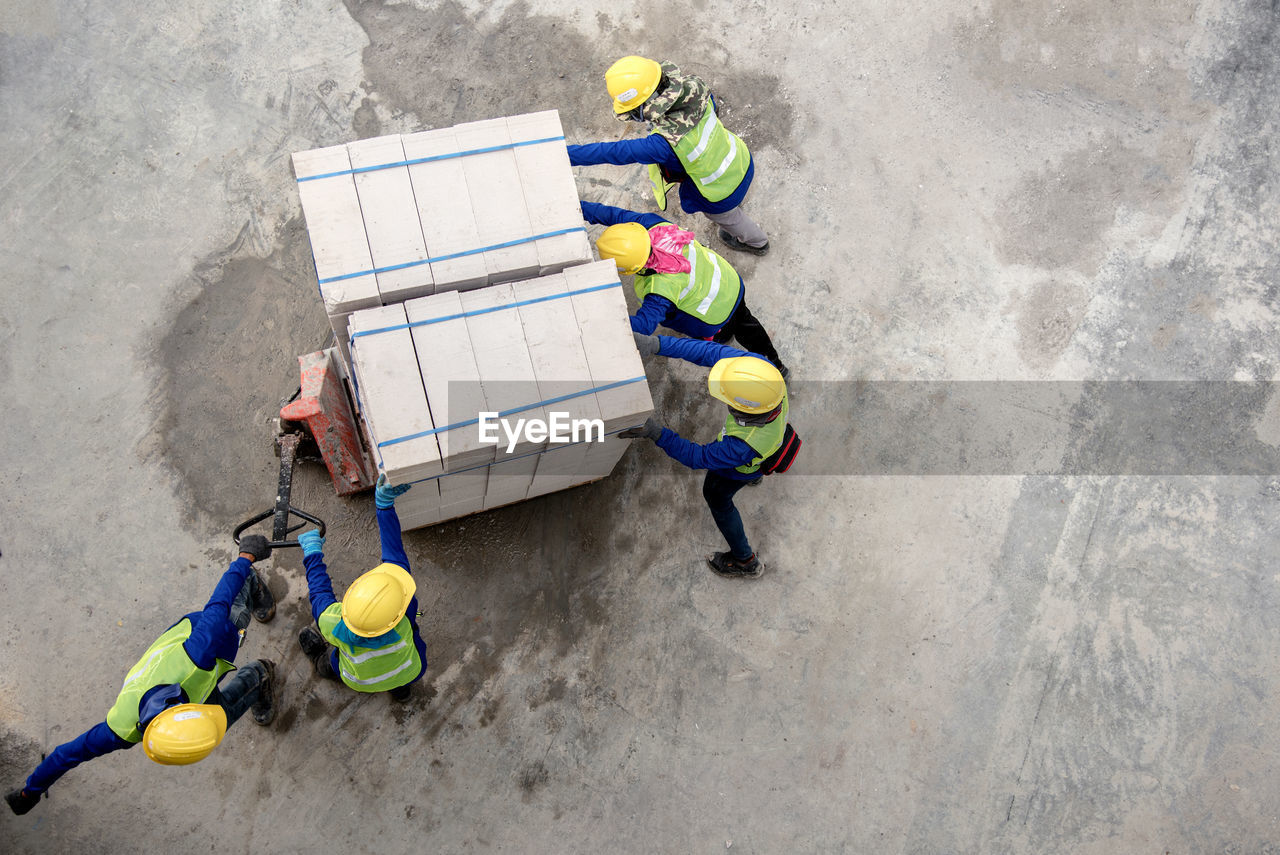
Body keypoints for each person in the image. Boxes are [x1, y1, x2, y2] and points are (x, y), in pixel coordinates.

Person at [5, 535, 279, 815]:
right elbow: (66, 755)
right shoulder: (123, 730)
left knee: (235, 610)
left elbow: (218, 603)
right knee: (221, 718)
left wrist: (245, 557)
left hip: (210, 638)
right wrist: (30, 791)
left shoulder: (201, 650)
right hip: (190, 667)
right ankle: (260, 676)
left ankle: (250, 583)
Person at [622, 333, 789, 579]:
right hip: (769, 444)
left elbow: (696, 457)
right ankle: (754, 476)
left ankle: (745, 560)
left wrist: (655, 433)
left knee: (717, 497)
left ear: (744, 409)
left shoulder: (740, 447)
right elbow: (707, 352)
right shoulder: (761, 374)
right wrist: (657, 344)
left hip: (739, 468)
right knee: (754, 462)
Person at [569, 56, 770, 255]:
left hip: (721, 191)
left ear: (642, 108)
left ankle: (758, 243)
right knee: (732, 206)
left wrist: (566, 155)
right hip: (739, 157)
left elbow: (613, 152)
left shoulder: (662, 145)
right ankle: (740, 211)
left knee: (729, 219)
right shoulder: (695, 87)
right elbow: (713, 111)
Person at [582, 200, 788, 378]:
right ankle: (776, 365)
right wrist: (580, 208)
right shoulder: (653, 225)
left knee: (720, 341)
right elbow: (612, 214)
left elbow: (643, 326)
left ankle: (737, 349)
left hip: (715, 317)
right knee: (748, 325)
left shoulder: (660, 288)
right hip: (729, 283)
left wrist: (598, 327)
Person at [296, 475, 427, 702]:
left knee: (331, 663)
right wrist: (384, 505)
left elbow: (319, 592)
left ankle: (320, 663)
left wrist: (312, 553)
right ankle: (401, 691)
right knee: (407, 662)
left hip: (359, 680)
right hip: (412, 668)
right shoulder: (405, 612)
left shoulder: (332, 623)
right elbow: (395, 555)